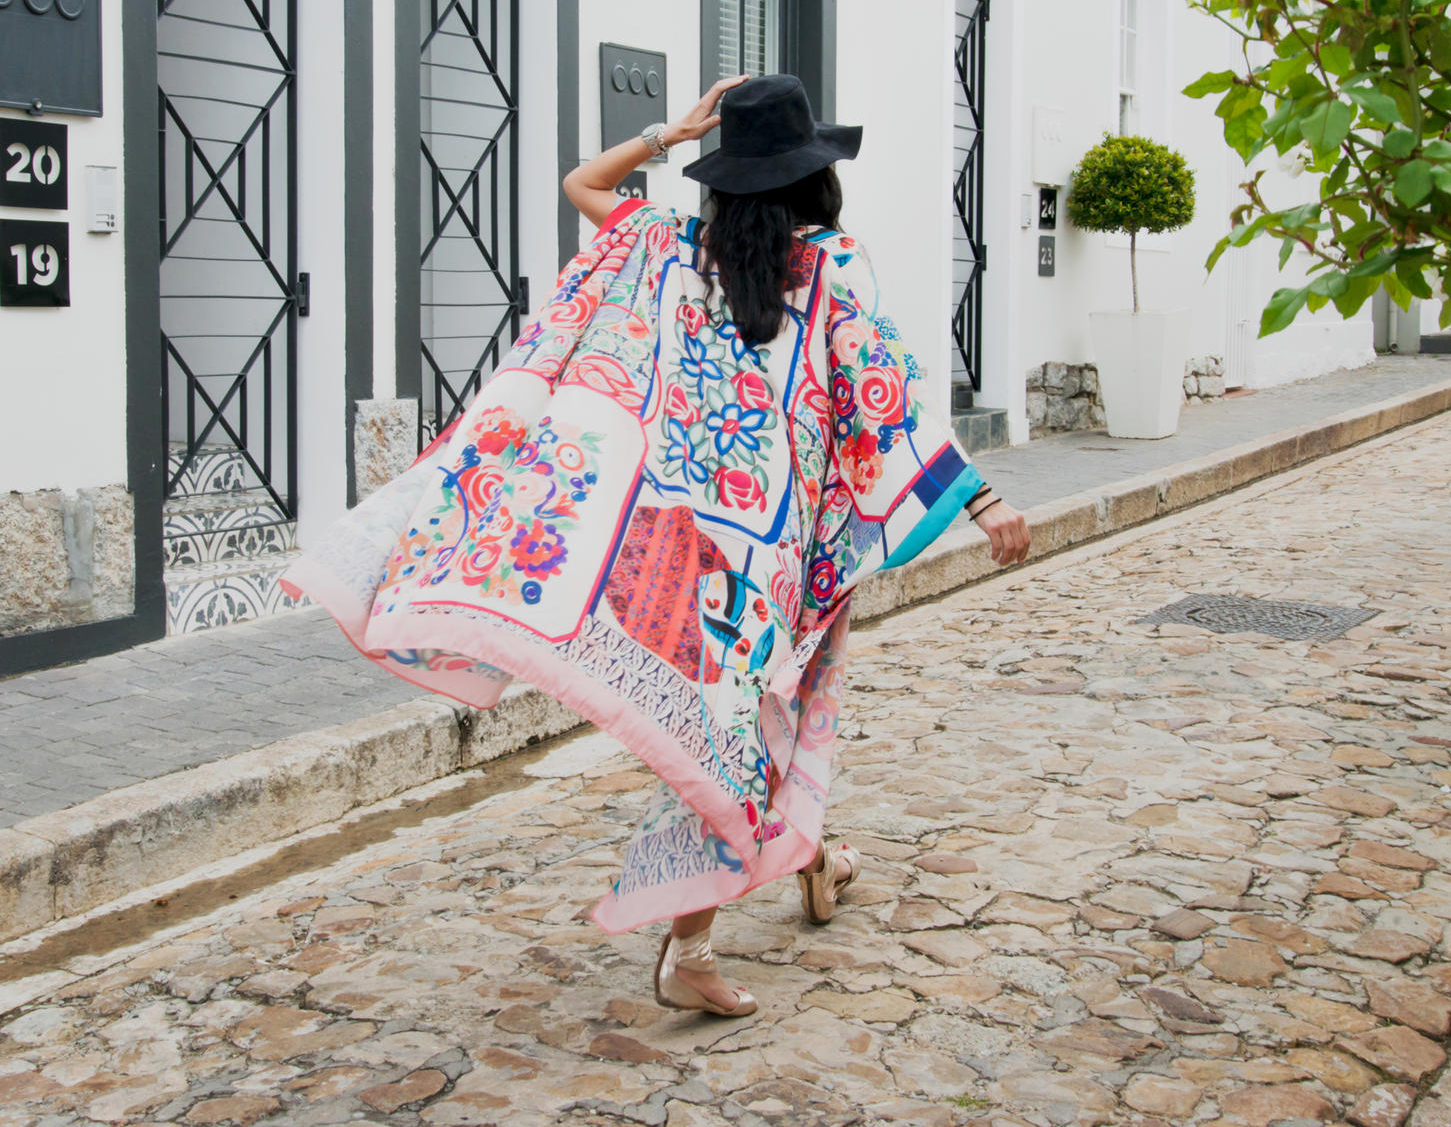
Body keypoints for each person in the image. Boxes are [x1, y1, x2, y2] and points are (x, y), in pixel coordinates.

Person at [286, 74, 1031, 1016]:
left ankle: (813, 857)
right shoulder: (835, 267)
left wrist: (663, 136)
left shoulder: (668, 245)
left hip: (681, 540)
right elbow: (888, 402)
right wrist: (983, 497)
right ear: (815, 179)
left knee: (762, 718)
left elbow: (580, 186)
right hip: (773, 551)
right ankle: (690, 952)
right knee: (739, 728)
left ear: (724, 177)